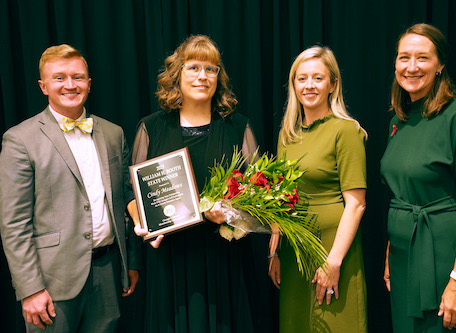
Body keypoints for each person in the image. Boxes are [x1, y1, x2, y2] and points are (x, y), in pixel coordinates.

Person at [127, 35, 272, 333]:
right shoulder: (151, 127)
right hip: (169, 260)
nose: (202, 76)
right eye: (193, 67)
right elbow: (133, 193)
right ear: (177, 74)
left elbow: (262, 197)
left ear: (219, 77)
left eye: (211, 69)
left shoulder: (238, 127)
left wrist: (231, 214)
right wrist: (140, 218)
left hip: (224, 259)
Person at [0, 44, 140, 332]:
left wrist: (131, 262)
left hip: (107, 271)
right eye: (59, 78)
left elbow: (126, 201)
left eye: (78, 77)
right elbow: (14, 223)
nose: (70, 85)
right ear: (43, 86)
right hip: (51, 281)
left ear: (89, 83)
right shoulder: (20, 139)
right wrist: (29, 288)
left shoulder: (114, 134)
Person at [380, 23, 456, 332]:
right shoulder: (398, 121)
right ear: (395, 64)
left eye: (423, 58)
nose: (412, 66)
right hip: (404, 260)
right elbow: (402, 195)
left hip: (446, 259)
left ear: (440, 65)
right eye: (404, 57)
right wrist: (392, 252)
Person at [268, 46, 368, 332]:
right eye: (302, 79)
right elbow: (280, 197)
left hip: (333, 248)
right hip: (293, 251)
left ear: (332, 84)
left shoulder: (346, 131)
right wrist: (274, 252)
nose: (309, 86)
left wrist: (333, 262)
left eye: (318, 78)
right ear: (293, 85)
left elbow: (357, 204)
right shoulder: (287, 135)